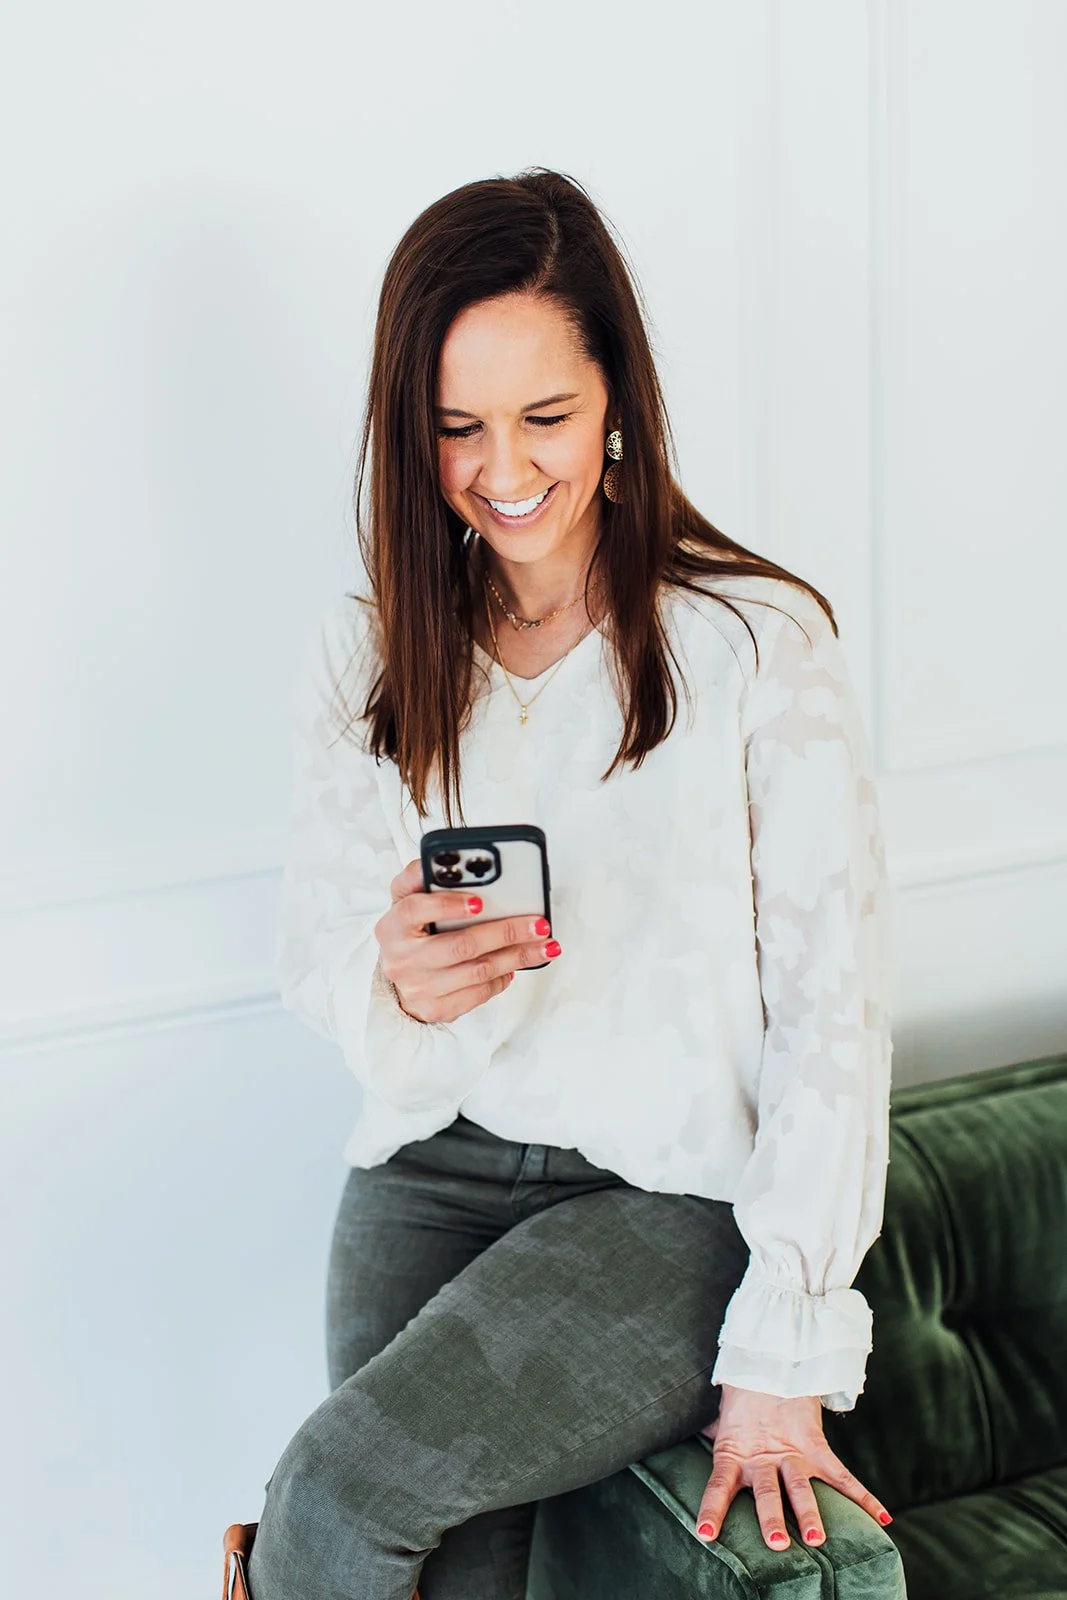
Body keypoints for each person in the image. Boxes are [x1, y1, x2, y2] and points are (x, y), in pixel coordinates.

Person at [242, 167, 895, 1600]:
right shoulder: (369, 652)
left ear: (616, 409)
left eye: (545, 415)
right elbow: (316, 955)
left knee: (336, 1501)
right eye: (457, 427)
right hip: (427, 1172)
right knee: (439, 1565)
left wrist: (784, 1346)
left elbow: (832, 1016)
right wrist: (391, 978)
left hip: (656, 1204)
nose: (506, 467)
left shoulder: (751, 642)